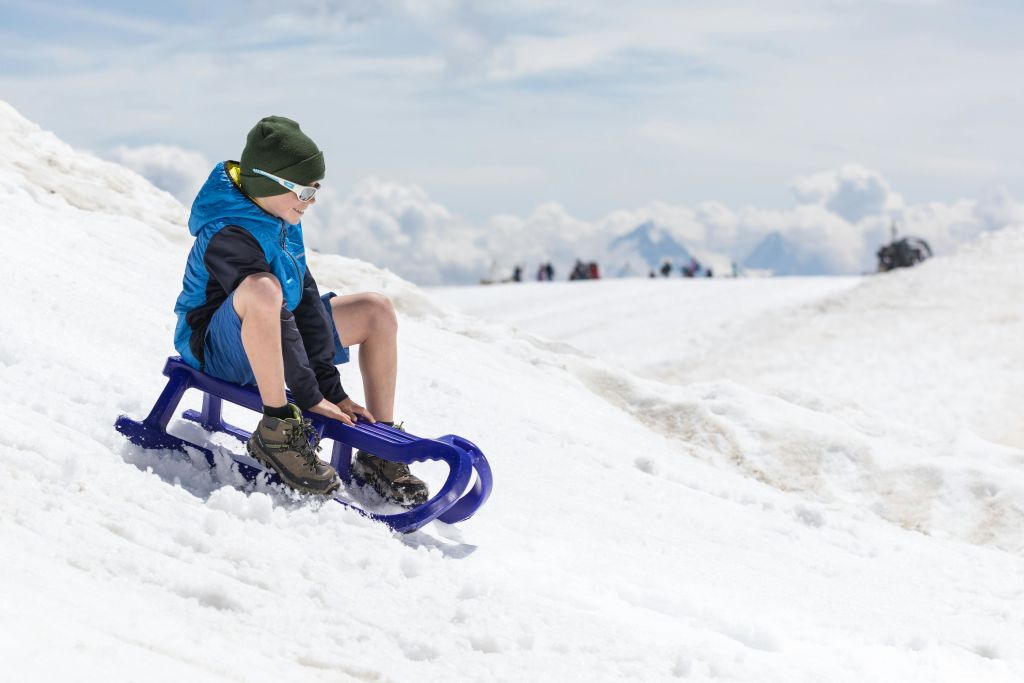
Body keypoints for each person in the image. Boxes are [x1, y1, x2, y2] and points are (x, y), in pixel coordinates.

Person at [173, 116, 428, 506]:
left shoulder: (280, 218)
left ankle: (378, 452)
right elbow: (274, 311)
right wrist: (308, 395)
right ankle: (277, 426)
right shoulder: (227, 231)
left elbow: (304, 301)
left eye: (316, 190)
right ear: (268, 182)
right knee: (263, 289)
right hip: (216, 348)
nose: (311, 201)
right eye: (304, 191)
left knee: (375, 310)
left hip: (270, 330)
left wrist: (332, 391)